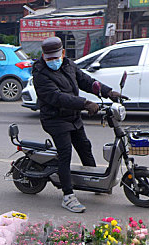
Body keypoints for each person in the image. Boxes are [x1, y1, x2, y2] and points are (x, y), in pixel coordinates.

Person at [33, 36, 127, 213]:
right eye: (49, 58)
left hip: (72, 116)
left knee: (84, 146)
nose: (53, 61)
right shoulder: (40, 74)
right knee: (65, 153)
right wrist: (85, 104)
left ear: (63, 53)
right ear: (44, 57)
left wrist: (109, 92)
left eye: (56, 57)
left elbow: (86, 81)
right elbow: (57, 97)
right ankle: (68, 196)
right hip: (55, 119)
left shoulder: (68, 64)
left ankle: (95, 183)